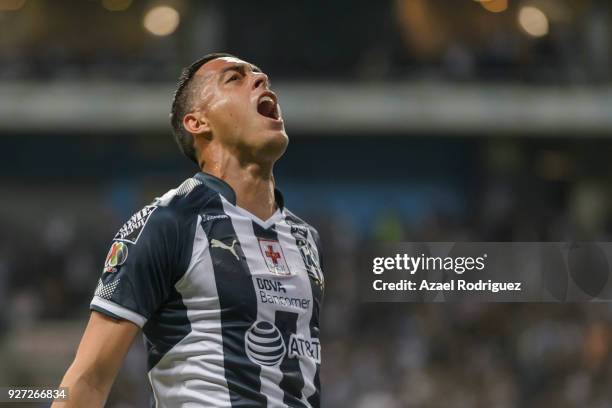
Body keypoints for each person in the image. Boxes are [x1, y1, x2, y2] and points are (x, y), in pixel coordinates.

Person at [53, 53, 324, 408]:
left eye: (261, 76)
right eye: (234, 78)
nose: (260, 80)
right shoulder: (168, 221)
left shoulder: (306, 239)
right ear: (197, 122)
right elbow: (88, 378)